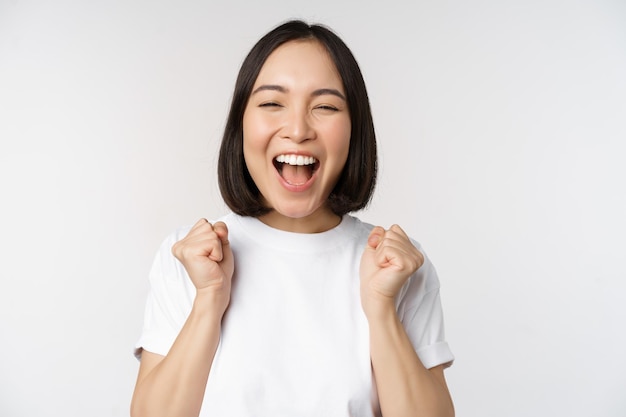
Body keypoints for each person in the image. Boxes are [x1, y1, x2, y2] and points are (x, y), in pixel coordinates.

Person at [131, 19, 455, 417]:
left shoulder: (400, 266)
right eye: (272, 103)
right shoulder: (187, 258)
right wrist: (208, 301)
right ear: (241, 124)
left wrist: (382, 308)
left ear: (355, 130)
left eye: (325, 107)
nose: (298, 130)